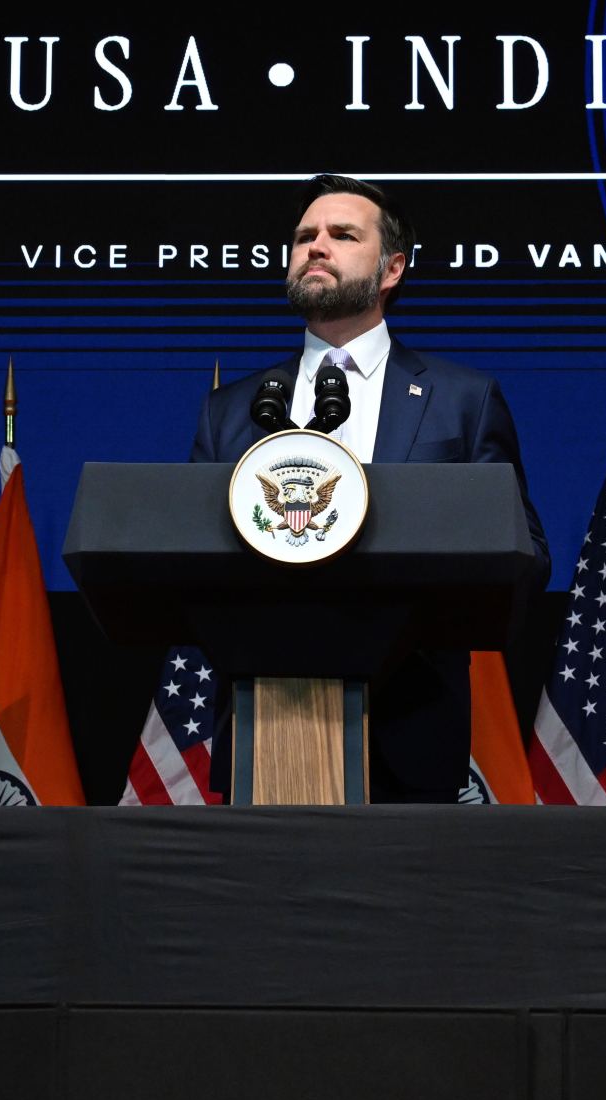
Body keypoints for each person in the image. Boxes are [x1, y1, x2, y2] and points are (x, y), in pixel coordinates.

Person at [192, 174, 549, 802]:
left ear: (392, 269)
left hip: (411, 732)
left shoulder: (462, 400)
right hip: (264, 728)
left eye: (342, 235)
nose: (315, 246)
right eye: (304, 236)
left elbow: (525, 554)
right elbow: (189, 553)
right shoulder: (233, 409)